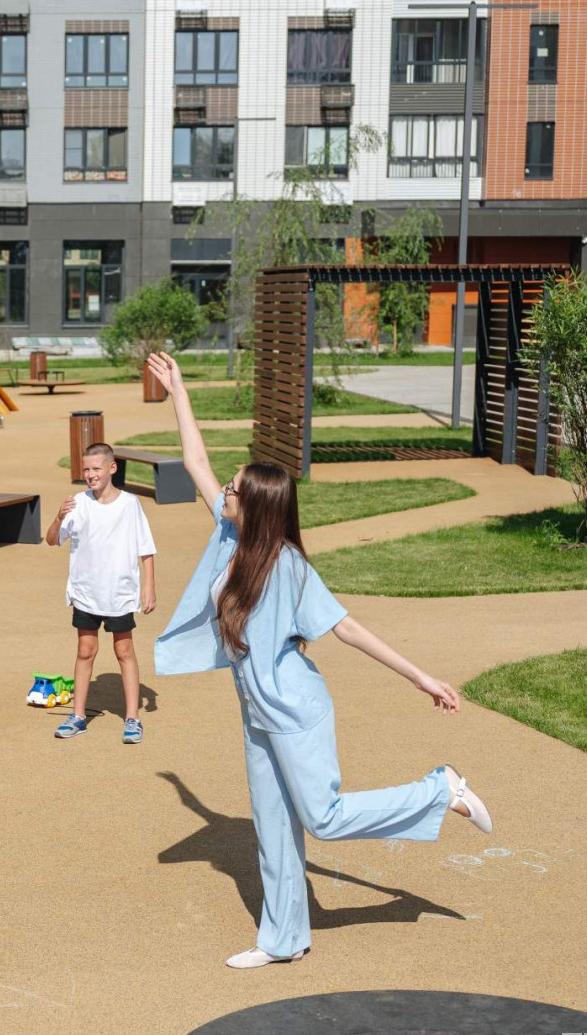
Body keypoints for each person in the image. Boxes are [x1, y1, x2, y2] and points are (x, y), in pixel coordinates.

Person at [144, 352, 494, 969]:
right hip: (258, 711)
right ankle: (282, 940)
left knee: (323, 819)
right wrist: (179, 391)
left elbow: (348, 629)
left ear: (256, 505)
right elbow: (196, 461)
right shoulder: (231, 536)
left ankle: (440, 790)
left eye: (233, 489)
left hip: (296, 709)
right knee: (274, 827)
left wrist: (421, 678)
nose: (223, 491)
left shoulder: (288, 567)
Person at [46, 442, 157, 743]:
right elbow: (52, 540)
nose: (90, 474)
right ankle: (78, 716)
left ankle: (132, 718)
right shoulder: (77, 503)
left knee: (124, 651)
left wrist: (148, 587)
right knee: (85, 651)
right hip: (86, 592)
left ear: (112, 468)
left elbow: (146, 549)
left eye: (96, 468)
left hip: (118, 592)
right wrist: (58, 517)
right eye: (86, 469)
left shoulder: (130, 504)